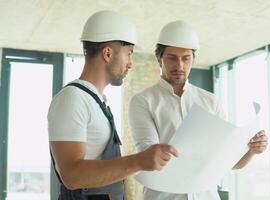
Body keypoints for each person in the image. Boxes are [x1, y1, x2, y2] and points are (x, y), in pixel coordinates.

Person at [129, 20, 268, 200]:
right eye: (172, 57)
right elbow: (150, 159)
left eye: (186, 58)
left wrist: (251, 151)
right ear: (159, 58)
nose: (179, 65)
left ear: (193, 59)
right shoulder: (143, 102)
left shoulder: (211, 102)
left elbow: (228, 163)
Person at [47, 10, 178, 200]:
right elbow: (71, 175)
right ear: (107, 53)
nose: (130, 64)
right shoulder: (72, 99)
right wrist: (139, 161)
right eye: (128, 54)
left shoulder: (97, 101)